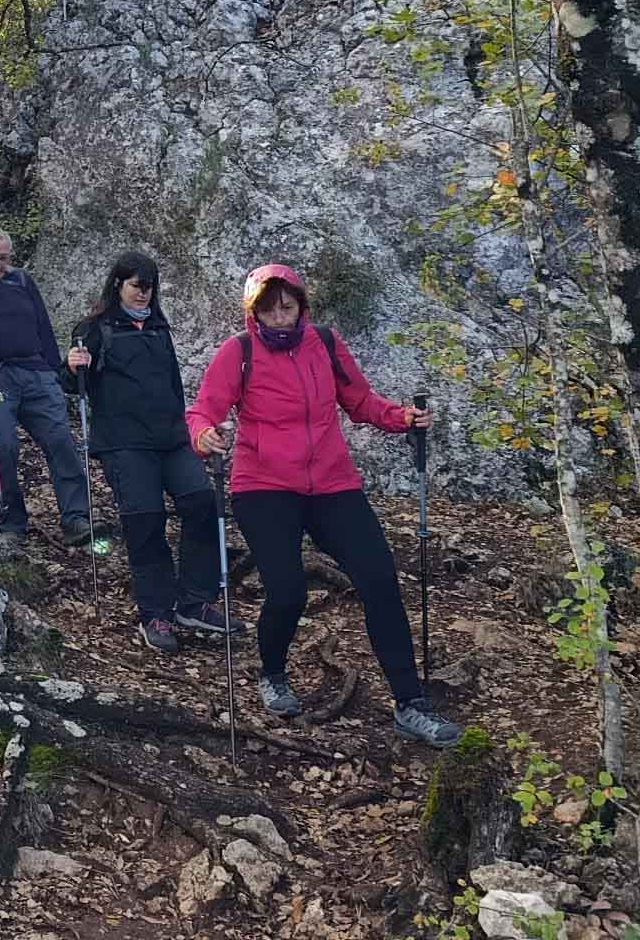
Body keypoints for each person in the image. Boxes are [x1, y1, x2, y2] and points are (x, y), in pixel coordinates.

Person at [186, 263, 462, 748]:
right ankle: (272, 672)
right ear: (254, 312)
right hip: (263, 486)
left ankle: (410, 702)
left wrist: (401, 418)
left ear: (301, 305)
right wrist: (203, 434)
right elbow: (205, 408)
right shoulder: (240, 351)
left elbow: (360, 401)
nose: (279, 316)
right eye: (268, 309)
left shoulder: (327, 344)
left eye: (287, 306)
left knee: (379, 579)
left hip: (333, 483)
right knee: (288, 591)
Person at [64, 252, 231, 656]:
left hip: (171, 438)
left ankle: (195, 600)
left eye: (150, 286)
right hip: (124, 443)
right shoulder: (94, 328)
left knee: (202, 502)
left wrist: (189, 426)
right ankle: (155, 612)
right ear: (118, 284)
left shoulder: (159, 328)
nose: (144, 293)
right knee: (145, 520)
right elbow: (73, 384)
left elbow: (173, 385)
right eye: (137, 285)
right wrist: (71, 366)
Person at [0, 226, 92, 550]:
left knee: (61, 441)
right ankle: (11, 521)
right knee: (1, 445)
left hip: (36, 373)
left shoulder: (23, 281)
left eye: (3, 258)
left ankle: (76, 519)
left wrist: (56, 371)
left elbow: (43, 327)